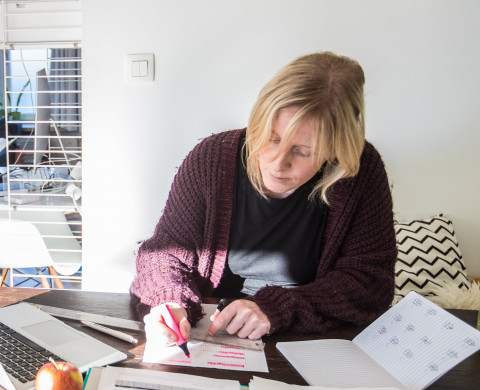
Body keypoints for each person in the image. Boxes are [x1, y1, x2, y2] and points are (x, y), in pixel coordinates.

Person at [130, 51, 397, 347]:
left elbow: (369, 284)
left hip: (303, 339)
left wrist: (278, 308)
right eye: (271, 138)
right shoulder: (210, 158)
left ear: (335, 148)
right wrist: (170, 300)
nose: (278, 162)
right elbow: (164, 252)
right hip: (209, 333)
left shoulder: (360, 171)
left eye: (303, 151)